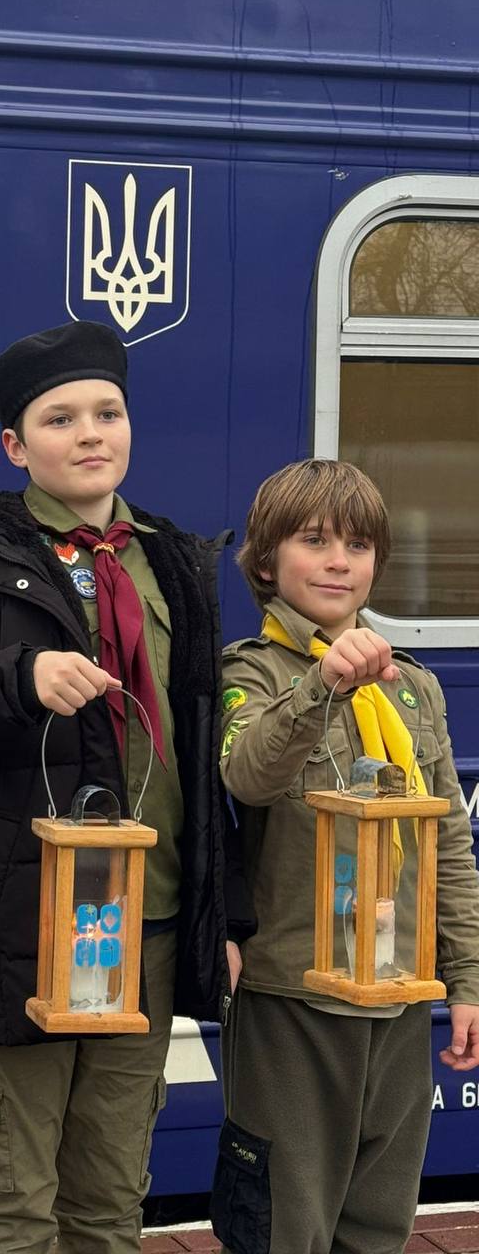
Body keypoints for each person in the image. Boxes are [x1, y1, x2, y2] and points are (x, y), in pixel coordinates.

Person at [0, 320, 249, 1254]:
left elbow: (201, 758)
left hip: (147, 934)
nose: (90, 434)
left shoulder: (173, 562)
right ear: (16, 447)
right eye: (60, 419)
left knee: (109, 1202)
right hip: (22, 938)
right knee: (11, 1210)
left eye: (107, 413)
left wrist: (226, 916)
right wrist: (15, 679)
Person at [214, 458, 479, 1254]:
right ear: (267, 562)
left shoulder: (413, 688)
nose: (338, 561)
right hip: (294, 996)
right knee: (284, 1223)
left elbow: (447, 844)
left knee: (378, 1221)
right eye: (315, 541)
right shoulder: (249, 671)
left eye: (358, 546)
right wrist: (321, 686)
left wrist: (467, 979)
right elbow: (248, 773)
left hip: (398, 995)